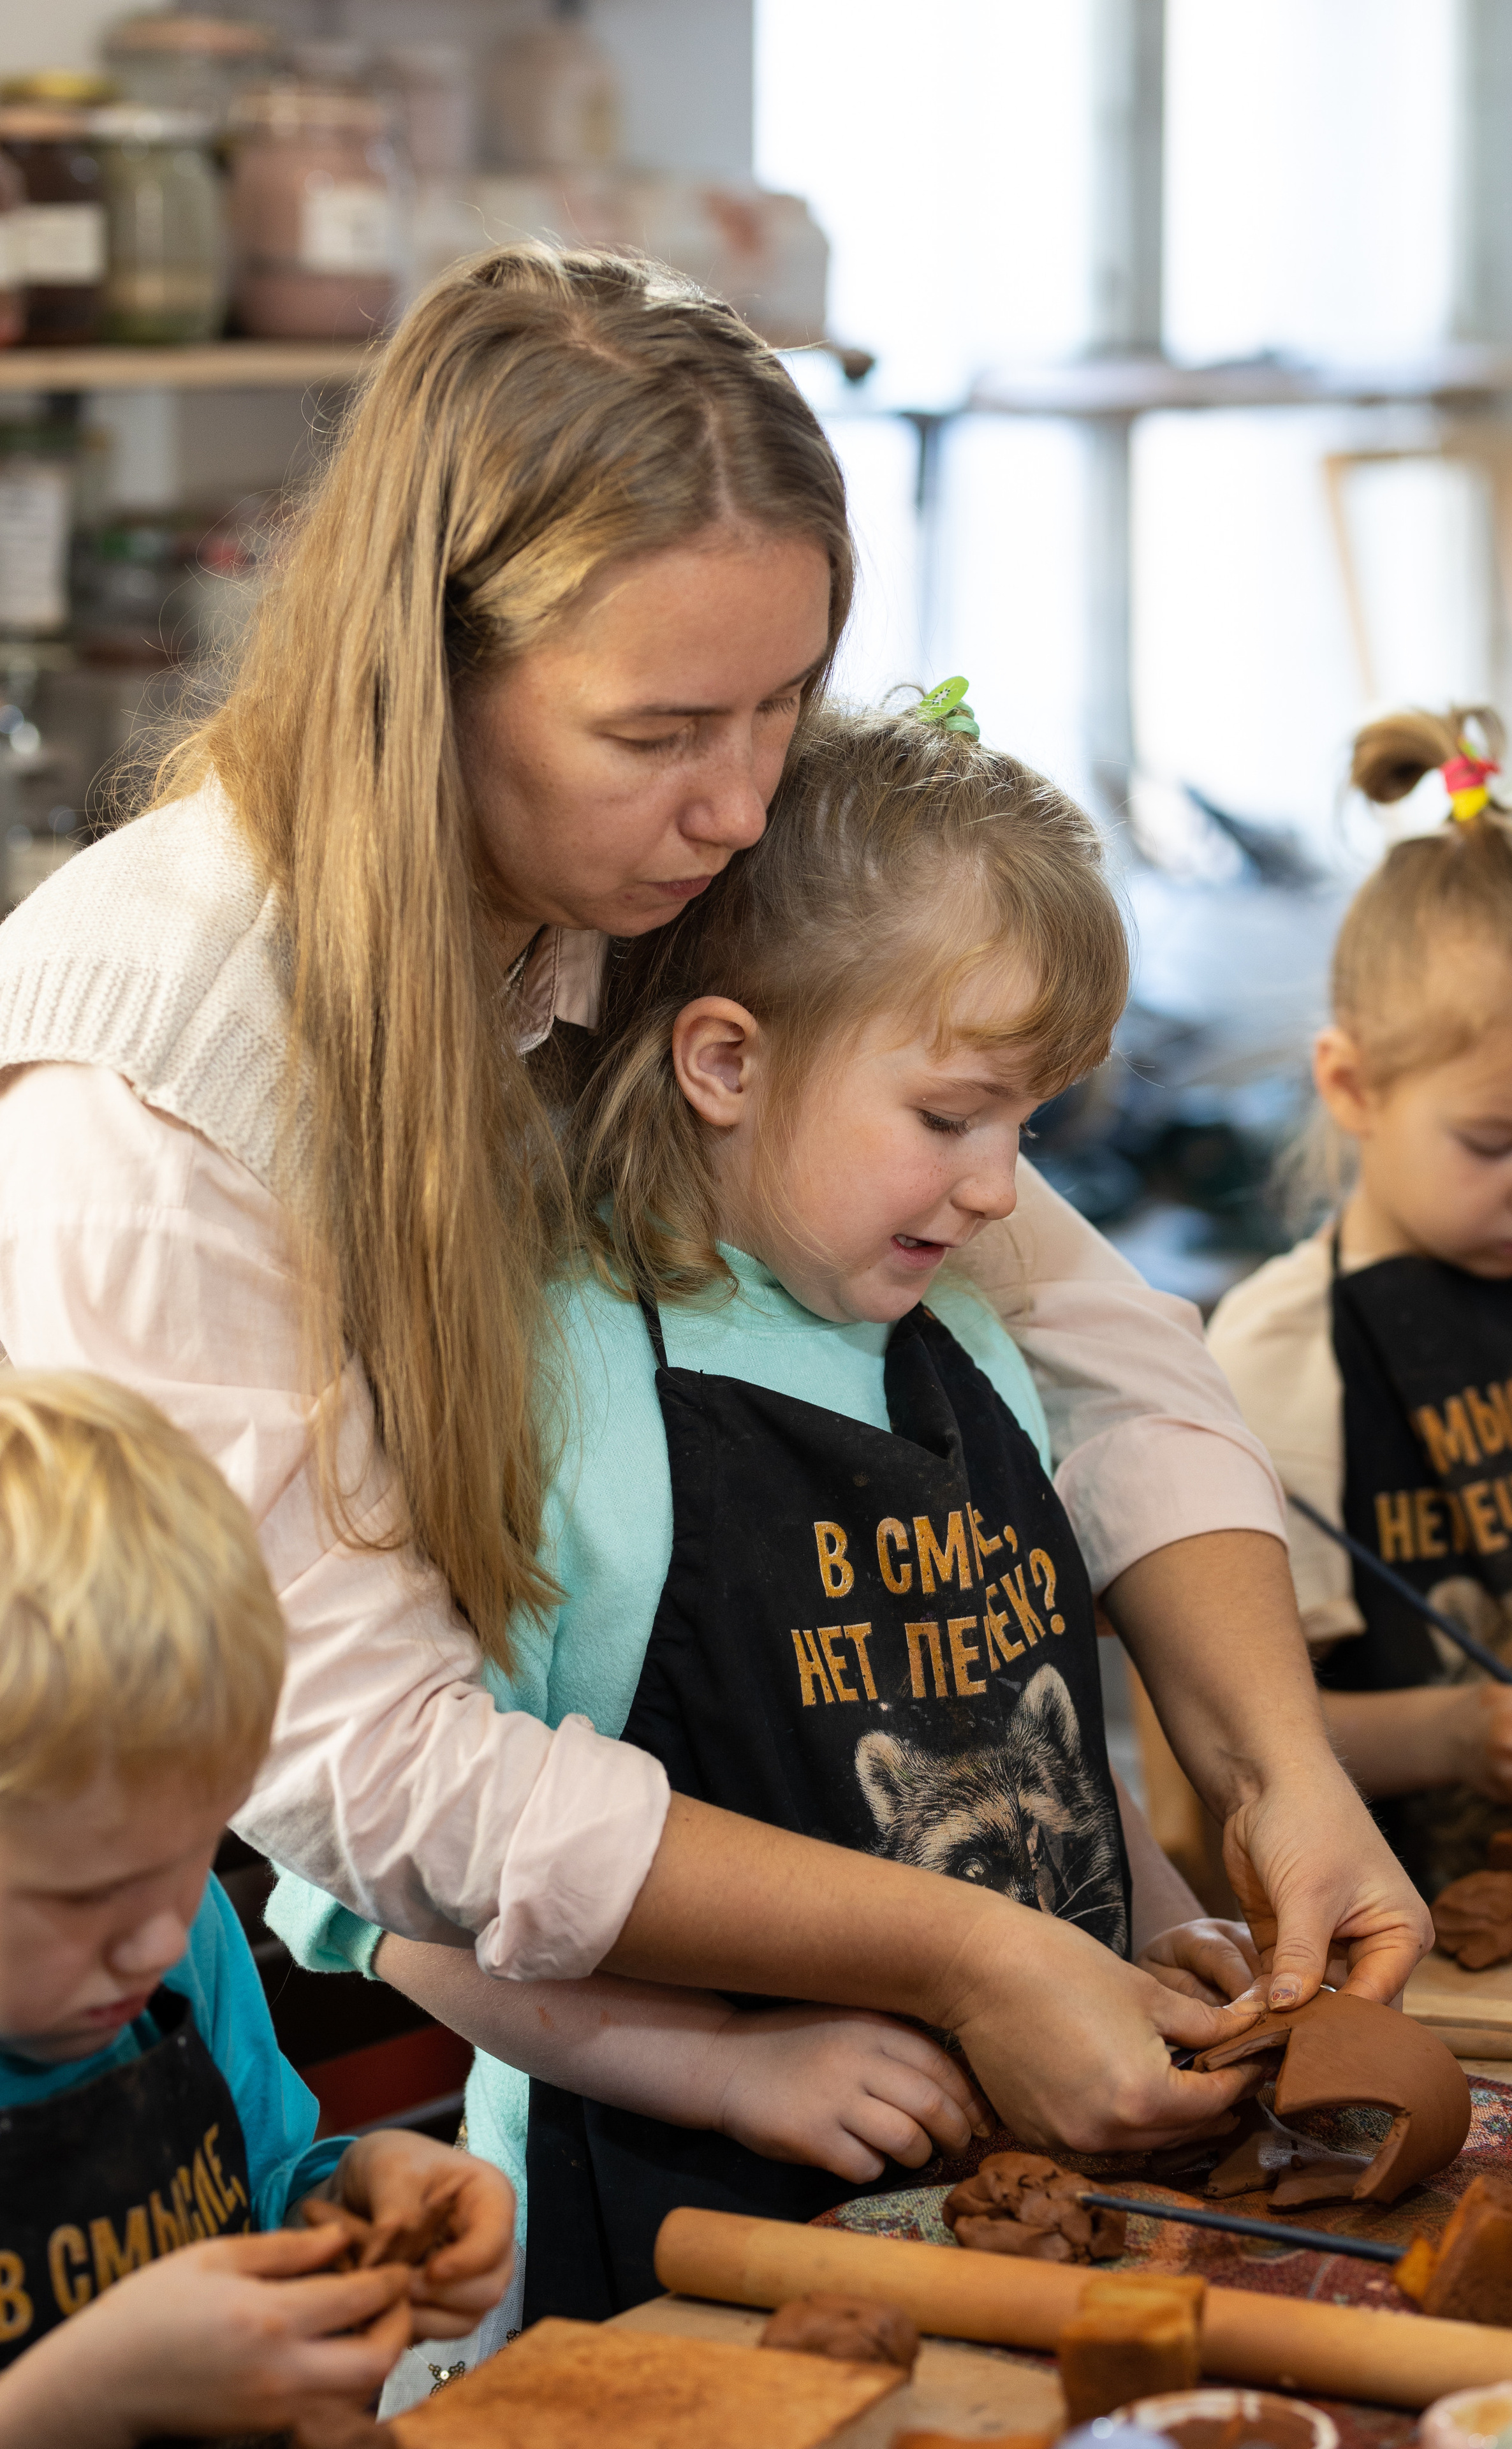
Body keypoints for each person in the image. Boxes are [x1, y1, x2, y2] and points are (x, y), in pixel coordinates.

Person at [0, 244, 1428, 2158]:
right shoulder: (153, 1070)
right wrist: (962, 1957)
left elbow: (1099, 1353)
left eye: (783, 707)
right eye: (664, 735)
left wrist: (1277, 1774)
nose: (746, 806)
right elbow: (374, 1774)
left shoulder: (647, 896)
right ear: (424, 673)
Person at [273, 699, 1277, 2348]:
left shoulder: (967, 1342)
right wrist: (722, 2064)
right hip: (678, 2249)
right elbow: (393, 1913)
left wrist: (1162, 1921)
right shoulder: (555, 1385)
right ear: (724, 1061)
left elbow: (1038, 1742)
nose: (1002, 1190)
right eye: (952, 1119)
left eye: (1029, 1126)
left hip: (1025, 2217)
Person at [0, 1372, 514, 2448]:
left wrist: (353, 2197)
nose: (159, 1938)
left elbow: (256, 2189)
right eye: (88, 1895)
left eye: (190, 1859)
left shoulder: (180, 1942)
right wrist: (78, 2404)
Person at [1208, 705, 1512, 1896]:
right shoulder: (1278, 1358)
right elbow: (1232, 1747)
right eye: (1495, 1142)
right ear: (1350, 1084)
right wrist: (1455, 1736)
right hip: (1411, 1938)